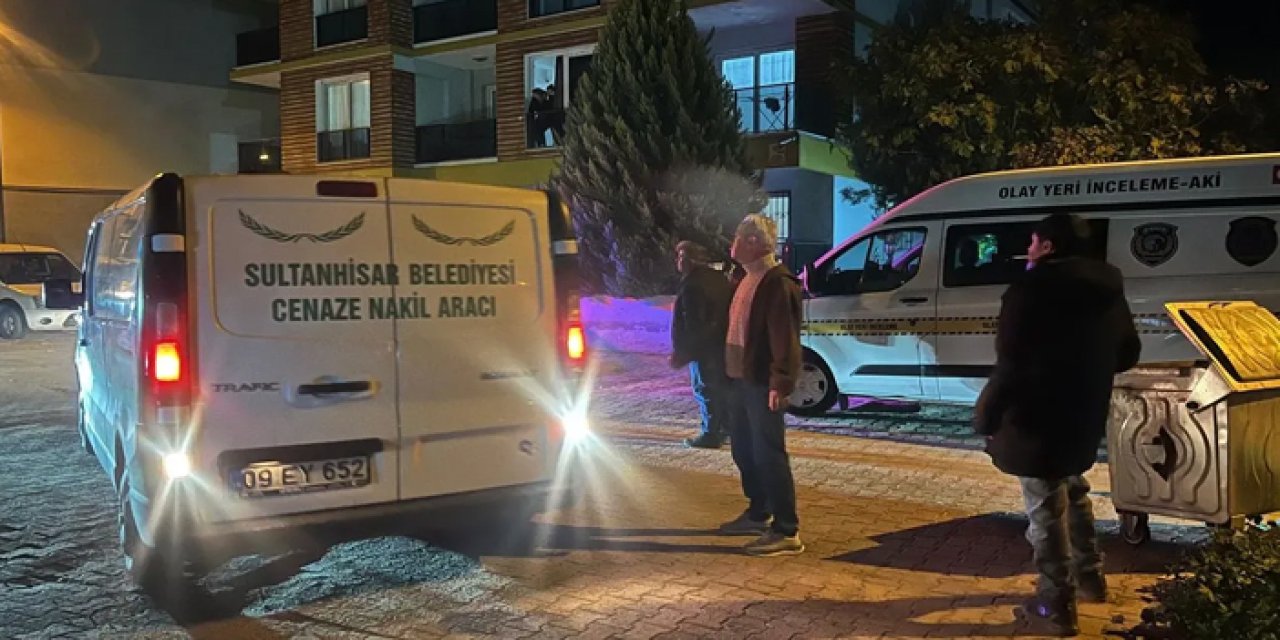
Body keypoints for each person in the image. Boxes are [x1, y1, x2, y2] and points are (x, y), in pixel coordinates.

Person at [974, 213, 1141, 636]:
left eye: (1033, 242)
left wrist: (986, 415)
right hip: (1083, 410)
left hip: (1035, 414)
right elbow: (1128, 352)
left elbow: (1010, 363)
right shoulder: (1108, 288)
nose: (1028, 250)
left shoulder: (1029, 291)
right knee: (1073, 486)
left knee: (1044, 505)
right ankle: (1090, 578)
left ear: (1048, 246)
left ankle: (1056, 603)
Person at [717, 214, 805, 557]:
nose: (732, 244)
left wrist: (780, 382)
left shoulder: (777, 283)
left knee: (769, 452)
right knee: (744, 449)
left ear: (753, 242)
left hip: (759, 383)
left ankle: (786, 529)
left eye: (737, 238)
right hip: (740, 380)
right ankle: (759, 511)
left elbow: (785, 339)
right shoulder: (747, 278)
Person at [669, 240, 733, 449]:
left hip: (704, 350)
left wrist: (684, 352)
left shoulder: (693, 285)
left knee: (705, 389)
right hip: (721, 344)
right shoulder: (718, 279)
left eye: (681, 257)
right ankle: (725, 429)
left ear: (691, 260)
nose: (678, 261)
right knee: (720, 388)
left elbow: (694, 323)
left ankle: (711, 433)